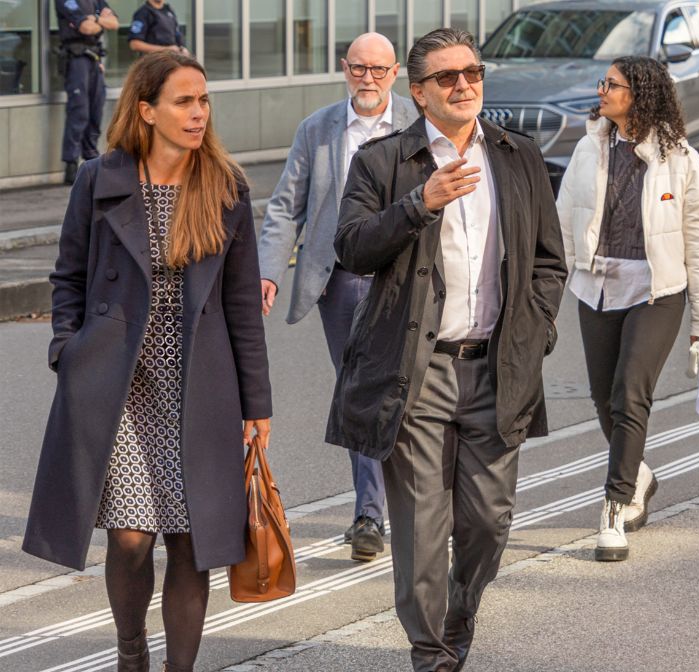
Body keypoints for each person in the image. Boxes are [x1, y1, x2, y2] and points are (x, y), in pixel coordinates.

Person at [22, 51, 272, 672]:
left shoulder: (225, 187)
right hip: (120, 385)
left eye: (203, 100)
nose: (198, 112)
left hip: (198, 384)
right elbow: (68, 276)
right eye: (184, 101)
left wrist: (257, 405)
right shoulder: (99, 180)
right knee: (131, 536)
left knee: (191, 541)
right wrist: (68, 352)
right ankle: (131, 653)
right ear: (146, 110)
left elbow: (243, 305)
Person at [326, 28, 567, 672]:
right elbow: (351, 247)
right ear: (419, 92)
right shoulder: (383, 161)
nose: (464, 85)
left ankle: (459, 618)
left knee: (489, 521)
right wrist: (419, 205)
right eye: (447, 77)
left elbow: (549, 260)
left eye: (472, 72)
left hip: (498, 366)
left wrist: (535, 331)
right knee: (422, 529)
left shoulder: (518, 155)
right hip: (415, 371)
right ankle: (430, 652)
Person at [555, 55, 699, 562]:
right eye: (603, 82)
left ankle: (614, 507)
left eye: (612, 84)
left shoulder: (681, 158)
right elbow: (563, 224)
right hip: (597, 286)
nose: (602, 91)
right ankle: (639, 474)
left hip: (657, 291)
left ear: (641, 94)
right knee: (603, 398)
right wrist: (549, 288)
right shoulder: (589, 147)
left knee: (631, 392)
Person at [258, 32, 418, 563]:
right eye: (358, 68)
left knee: (408, 392)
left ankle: (415, 504)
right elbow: (287, 206)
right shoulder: (318, 128)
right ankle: (369, 513)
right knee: (359, 393)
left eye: (378, 70)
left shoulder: (417, 123)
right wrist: (268, 272)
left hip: (404, 277)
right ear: (344, 68)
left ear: (395, 73)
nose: (367, 79)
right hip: (342, 279)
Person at [55, 0, 118, 185]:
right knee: (79, 111)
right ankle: (71, 163)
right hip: (77, 59)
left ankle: (91, 159)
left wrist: (95, 19)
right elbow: (86, 28)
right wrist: (99, 21)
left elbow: (114, 23)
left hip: (94, 58)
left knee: (96, 110)